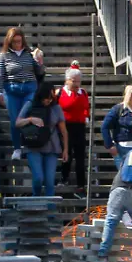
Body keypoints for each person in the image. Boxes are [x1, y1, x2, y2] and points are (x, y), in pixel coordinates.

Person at [0, 27, 44, 160]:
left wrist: (39, 62)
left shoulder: (28, 54)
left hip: (29, 88)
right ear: (9, 42)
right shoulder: (4, 55)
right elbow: (1, 75)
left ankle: (27, 140)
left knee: (22, 115)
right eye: (14, 42)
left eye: (19, 41)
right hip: (12, 89)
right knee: (14, 119)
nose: (18, 44)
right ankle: (17, 148)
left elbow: (39, 72)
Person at [16, 84, 68, 197]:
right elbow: (18, 122)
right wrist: (30, 119)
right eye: (47, 98)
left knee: (49, 181)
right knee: (38, 178)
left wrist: (65, 150)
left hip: (52, 147)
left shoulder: (56, 108)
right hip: (33, 145)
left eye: (51, 98)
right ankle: (36, 199)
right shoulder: (30, 104)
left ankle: (50, 211)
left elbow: (64, 131)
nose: (49, 100)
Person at [57, 62, 90, 197]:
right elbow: (60, 107)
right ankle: (64, 178)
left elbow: (86, 107)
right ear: (67, 80)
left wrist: (86, 116)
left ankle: (81, 185)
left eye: (78, 81)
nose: (77, 84)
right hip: (65, 126)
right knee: (67, 154)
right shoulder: (60, 92)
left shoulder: (83, 93)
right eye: (74, 81)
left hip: (79, 126)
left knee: (80, 157)